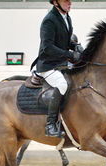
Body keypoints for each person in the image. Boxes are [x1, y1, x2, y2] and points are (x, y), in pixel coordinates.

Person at [33, 0, 82, 138]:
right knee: (62, 84)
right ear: (55, 2)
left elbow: (64, 41)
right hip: (48, 65)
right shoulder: (49, 20)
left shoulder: (66, 17)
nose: (69, 2)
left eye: (70, 0)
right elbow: (47, 47)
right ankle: (50, 125)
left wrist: (75, 46)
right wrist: (70, 54)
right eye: (65, 0)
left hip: (61, 64)